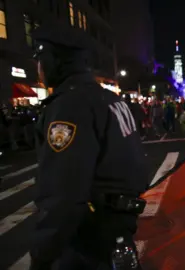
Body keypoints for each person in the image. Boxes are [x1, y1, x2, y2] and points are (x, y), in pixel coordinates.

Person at [30, 24, 149, 269]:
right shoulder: (109, 99)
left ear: (54, 61)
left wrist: (42, 255)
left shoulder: (70, 106)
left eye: (40, 59)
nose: (38, 68)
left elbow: (64, 191)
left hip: (87, 238)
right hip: (119, 228)